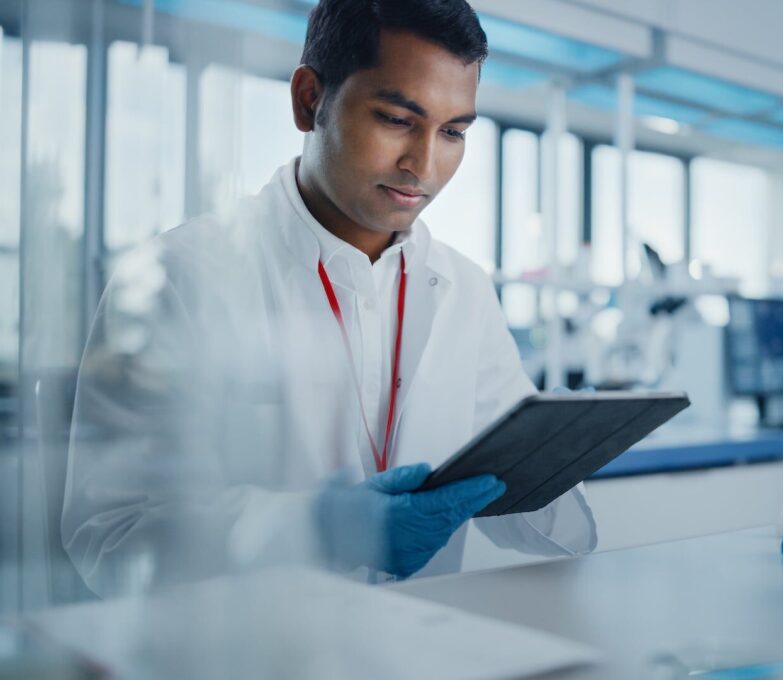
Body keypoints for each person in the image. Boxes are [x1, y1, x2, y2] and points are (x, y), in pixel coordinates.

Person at [63, 0, 597, 597]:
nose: (424, 164)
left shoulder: (463, 289)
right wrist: (317, 530)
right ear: (308, 98)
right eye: (397, 119)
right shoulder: (178, 277)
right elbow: (109, 533)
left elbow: (531, 507)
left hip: (420, 643)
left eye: (453, 132)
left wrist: (567, 454)